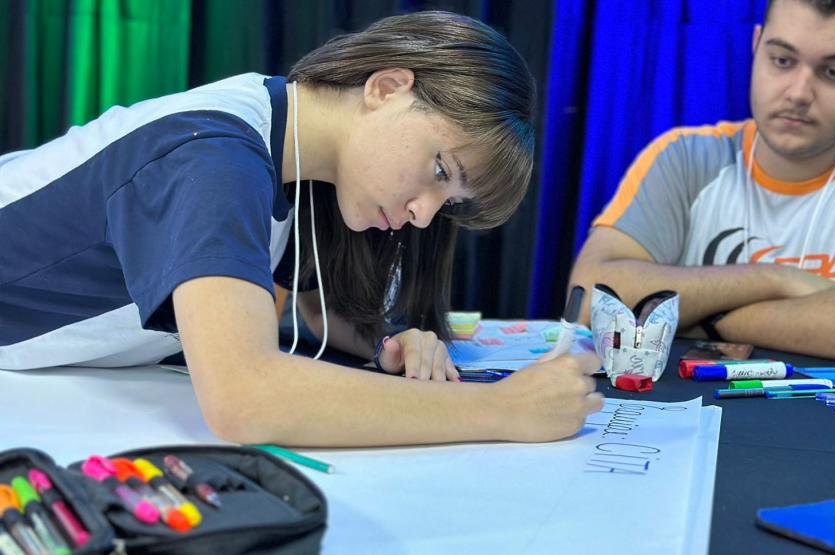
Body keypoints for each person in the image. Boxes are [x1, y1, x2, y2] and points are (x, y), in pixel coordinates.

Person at [0, 11, 603, 446]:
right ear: (387, 88)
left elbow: (322, 316)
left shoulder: (296, 154)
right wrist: (499, 410)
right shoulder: (216, 156)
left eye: (446, 202)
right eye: (439, 170)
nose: (423, 213)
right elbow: (245, 398)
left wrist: (389, 342)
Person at [570, 0, 835, 365]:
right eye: (782, 61)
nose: (798, 93)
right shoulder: (685, 158)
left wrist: (706, 320)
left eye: (833, 72)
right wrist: (773, 279)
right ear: (756, 46)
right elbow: (590, 298)